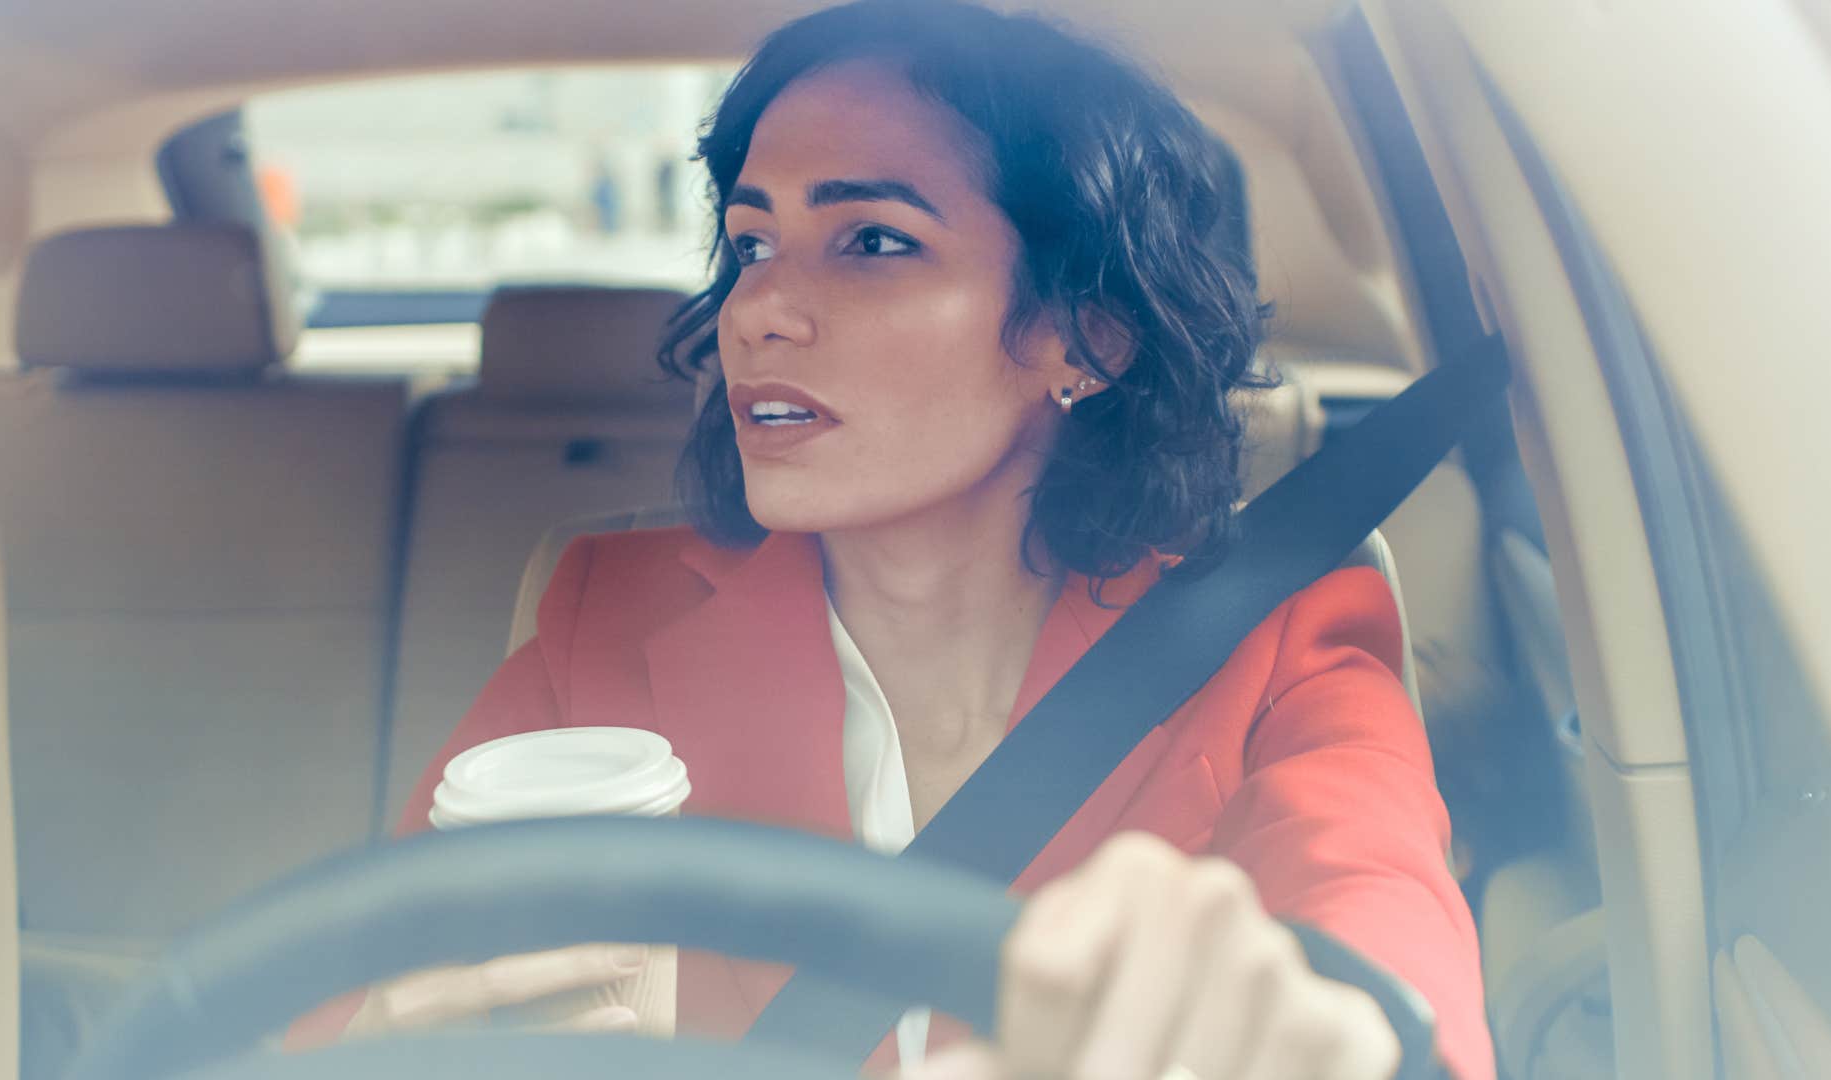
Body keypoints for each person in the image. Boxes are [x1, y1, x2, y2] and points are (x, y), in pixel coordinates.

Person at [305, 2, 1492, 1076]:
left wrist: (1320, 1032)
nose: (757, 309)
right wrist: (385, 1041)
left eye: (872, 241)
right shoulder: (597, 614)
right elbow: (354, 997)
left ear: (1087, 337)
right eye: (752, 244)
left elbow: (1377, 938)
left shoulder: (1279, 638)